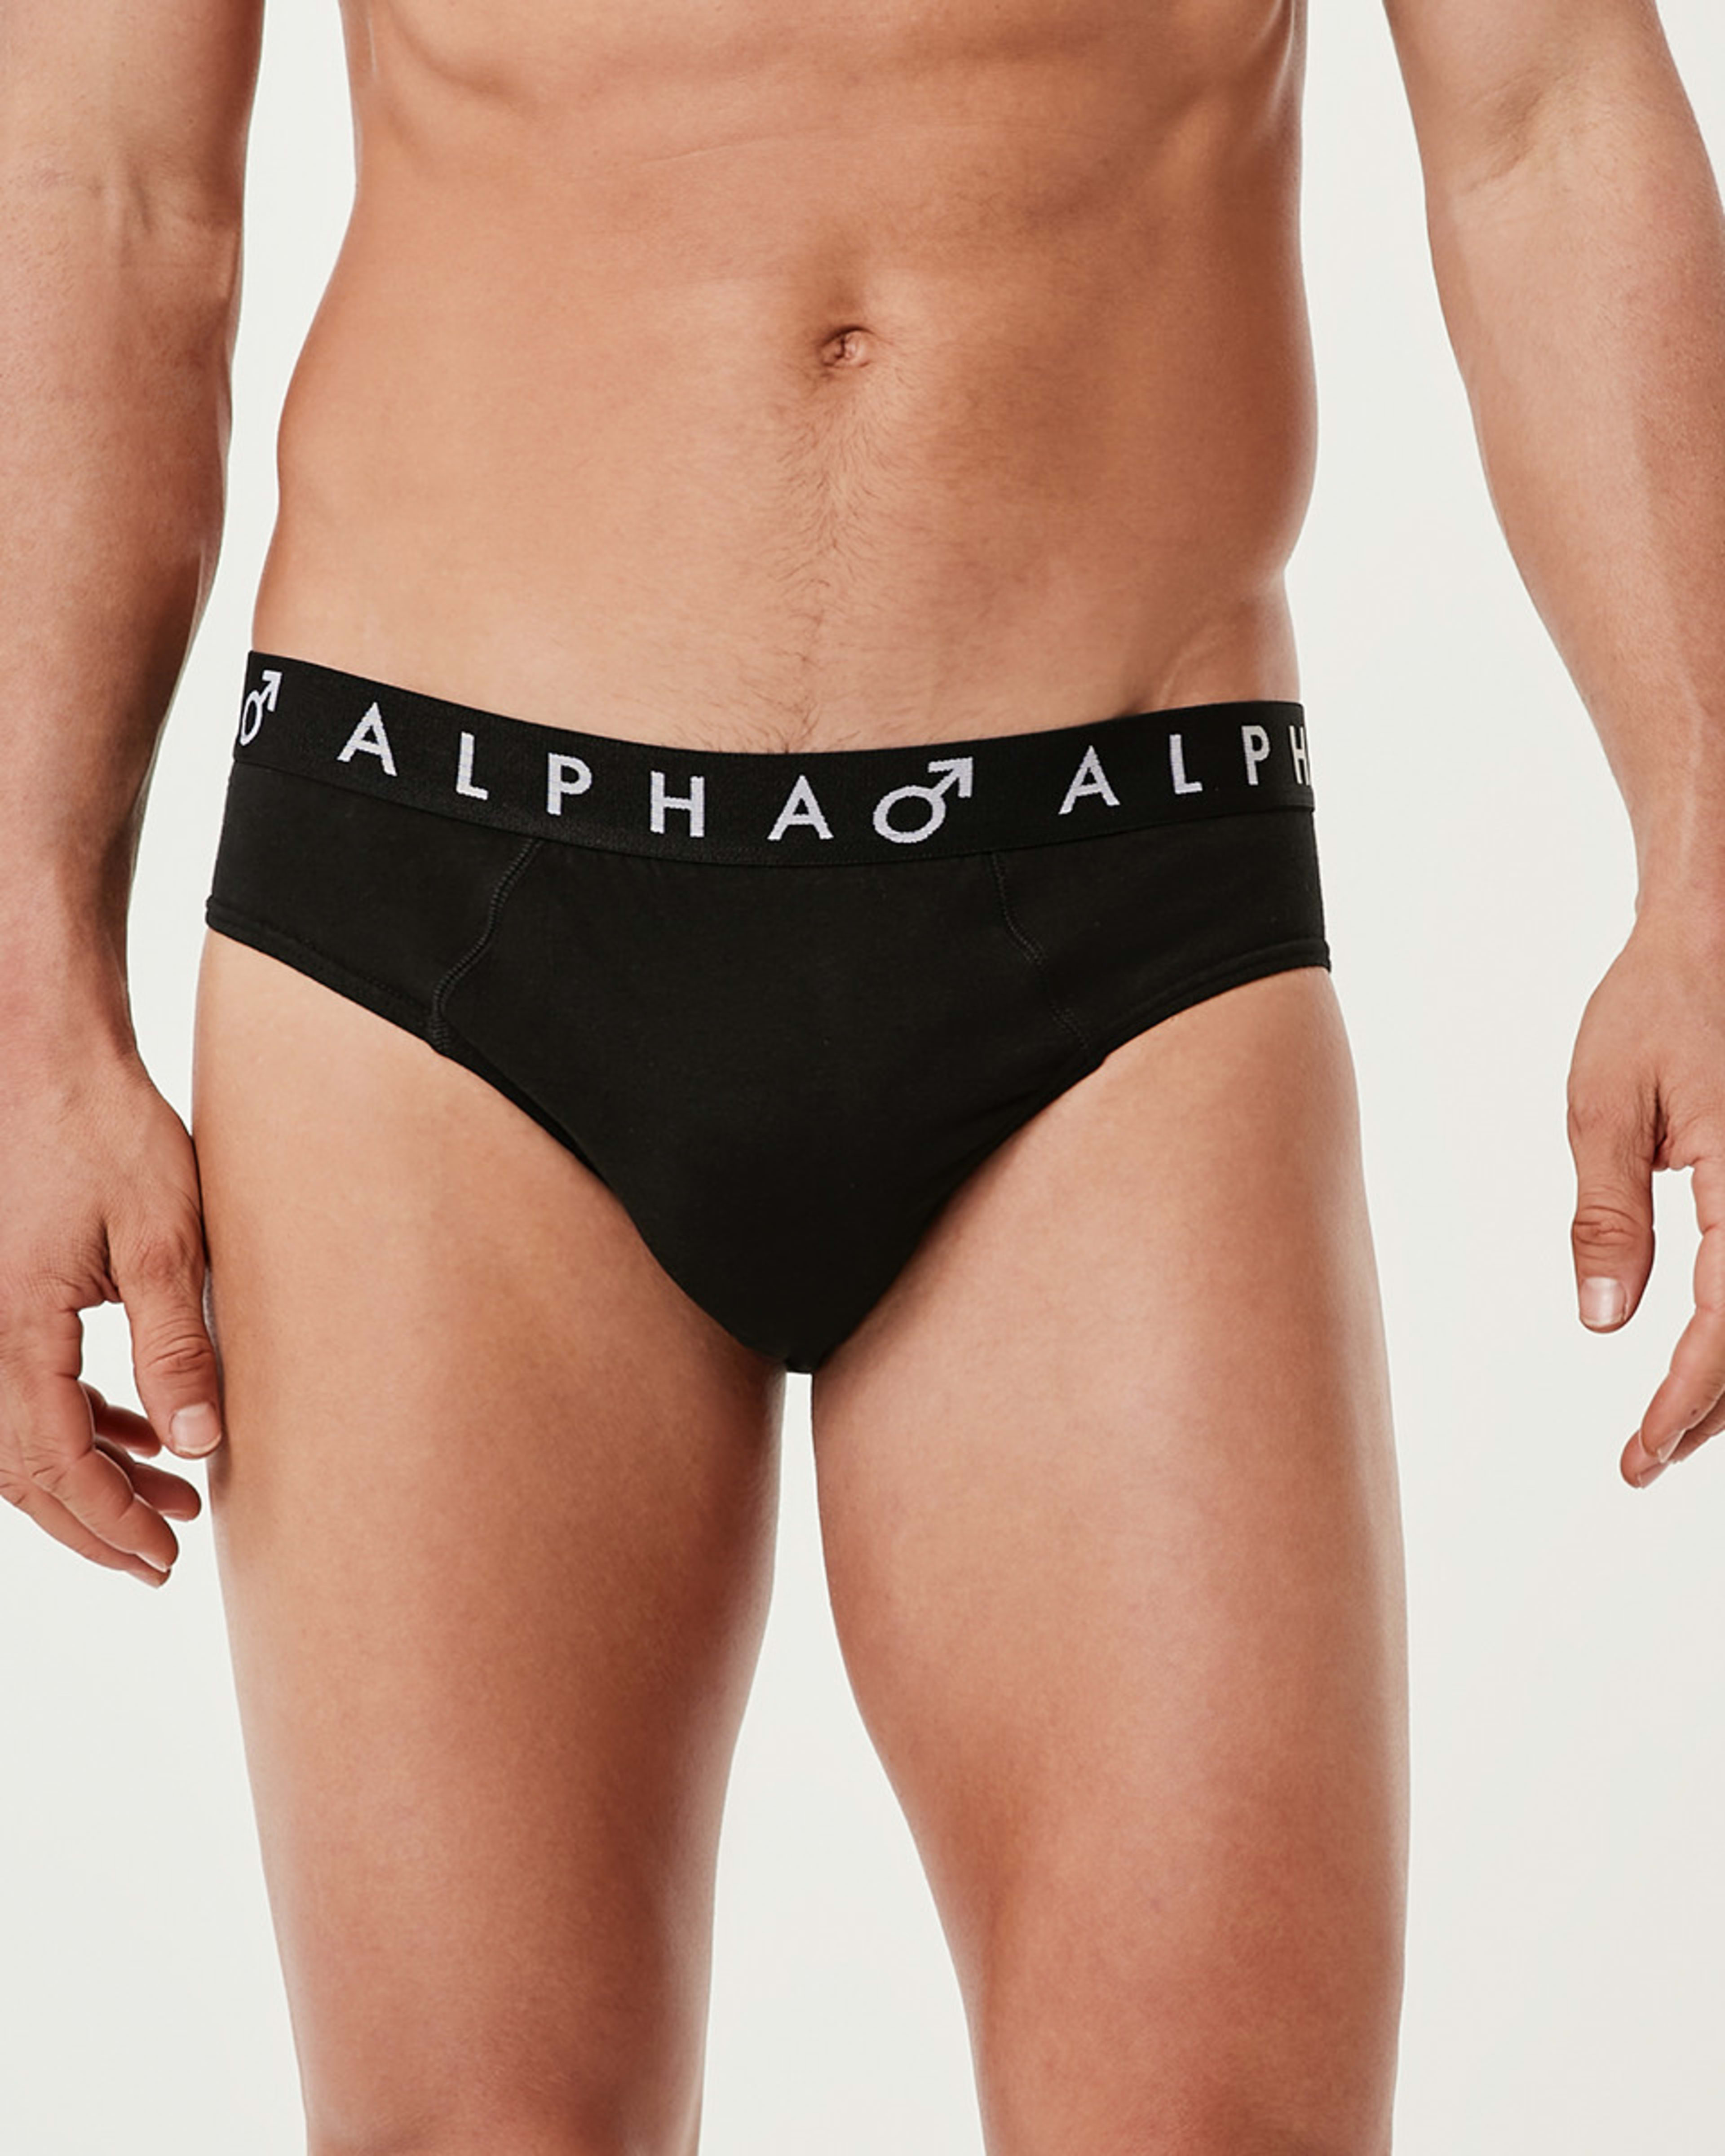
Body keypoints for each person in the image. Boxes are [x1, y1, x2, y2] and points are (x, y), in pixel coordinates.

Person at [3, 0, 1722, 2148]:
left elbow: (1547, 113)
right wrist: (31, 985)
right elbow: (107, 181)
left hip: (1119, 904)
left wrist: (1707, 857)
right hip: (442, 916)